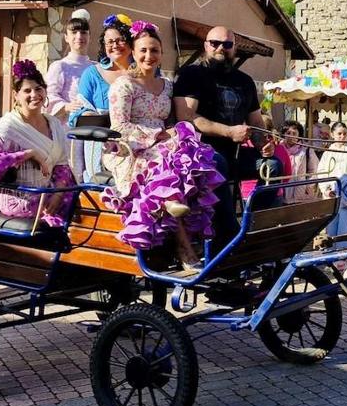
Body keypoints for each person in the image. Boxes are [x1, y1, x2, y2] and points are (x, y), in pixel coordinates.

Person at [104, 22, 223, 271]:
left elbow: (172, 121)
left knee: (196, 155)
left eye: (155, 50)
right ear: (134, 53)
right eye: (144, 50)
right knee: (164, 158)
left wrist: (171, 134)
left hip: (162, 141)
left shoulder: (168, 85)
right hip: (130, 147)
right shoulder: (123, 85)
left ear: (161, 53)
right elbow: (119, 126)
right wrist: (155, 135)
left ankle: (202, 230)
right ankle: (182, 243)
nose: (149, 56)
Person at [173, 26, 267, 232]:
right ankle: (229, 236)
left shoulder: (245, 81)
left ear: (234, 48)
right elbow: (186, 117)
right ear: (206, 45)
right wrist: (229, 131)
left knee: (272, 165)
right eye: (215, 43)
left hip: (237, 154)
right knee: (219, 163)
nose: (220, 48)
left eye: (227, 44)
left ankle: (259, 228)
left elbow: (257, 123)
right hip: (199, 154)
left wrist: (265, 144)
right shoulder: (191, 74)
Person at [0, 61, 75, 226]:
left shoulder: (54, 124)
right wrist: (27, 154)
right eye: (27, 90)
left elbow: (62, 165)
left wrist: (58, 195)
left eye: (39, 89)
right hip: (19, 197)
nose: (34, 95)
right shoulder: (7, 127)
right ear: (15, 95)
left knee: (79, 203)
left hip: (48, 192)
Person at [70, 14, 134, 181]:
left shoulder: (144, 72)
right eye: (110, 42)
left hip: (136, 143)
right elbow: (75, 116)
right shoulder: (92, 74)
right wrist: (89, 115)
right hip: (101, 147)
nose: (115, 46)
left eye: (120, 40)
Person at [45, 10, 94, 176]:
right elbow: (49, 94)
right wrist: (66, 106)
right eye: (74, 32)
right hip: (66, 128)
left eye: (83, 32)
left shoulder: (95, 68)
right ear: (66, 37)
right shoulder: (60, 66)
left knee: (91, 168)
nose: (79, 36)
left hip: (92, 126)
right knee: (71, 169)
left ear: (90, 37)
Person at [316, 121, 347, 275]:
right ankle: (334, 260)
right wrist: (327, 188)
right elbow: (322, 172)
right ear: (332, 134)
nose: (342, 136)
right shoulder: (328, 153)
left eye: (344, 133)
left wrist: (345, 185)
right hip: (332, 196)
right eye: (339, 133)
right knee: (332, 228)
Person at [281, 121, 320, 203]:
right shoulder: (279, 149)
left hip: (302, 195)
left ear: (299, 135)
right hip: (283, 194)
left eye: (294, 133)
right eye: (288, 133)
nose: (291, 136)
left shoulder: (307, 150)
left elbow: (314, 170)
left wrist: (307, 186)